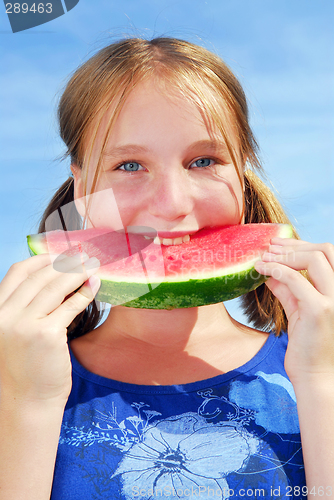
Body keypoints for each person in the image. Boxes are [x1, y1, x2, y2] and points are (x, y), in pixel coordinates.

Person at [0, 37, 333, 500]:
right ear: (81, 187)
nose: (173, 204)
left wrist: (322, 380)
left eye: (204, 160)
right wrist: (26, 402)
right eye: (129, 164)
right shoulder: (17, 373)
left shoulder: (313, 364)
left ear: (243, 172)